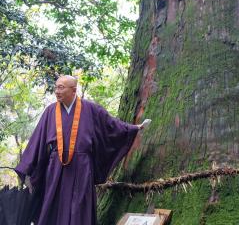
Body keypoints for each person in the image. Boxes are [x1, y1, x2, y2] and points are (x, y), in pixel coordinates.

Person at [15, 75, 150, 225]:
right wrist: (26, 166)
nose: (56, 91)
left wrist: (133, 128)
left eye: (61, 87)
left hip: (82, 166)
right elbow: (38, 139)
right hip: (56, 167)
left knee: (79, 206)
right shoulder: (50, 111)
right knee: (53, 204)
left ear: (73, 90)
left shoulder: (91, 109)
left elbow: (112, 126)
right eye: (56, 87)